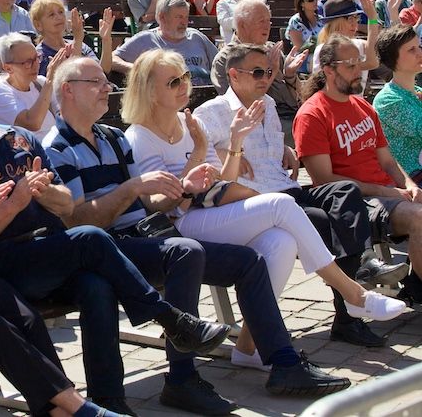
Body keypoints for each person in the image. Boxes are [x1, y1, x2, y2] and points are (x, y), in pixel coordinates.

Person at [44, 56, 354, 410]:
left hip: (145, 235)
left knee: (249, 261)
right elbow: (81, 222)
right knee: (186, 251)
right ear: (68, 91)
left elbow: (154, 204)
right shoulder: (58, 147)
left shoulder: (113, 138)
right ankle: (181, 378)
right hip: (109, 248)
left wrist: (184, 183)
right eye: (95, 82)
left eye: (105, 80)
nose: (107, 88)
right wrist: (132, 189)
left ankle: (283, 363)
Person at [0, 61, 234, 415]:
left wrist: (43, 194)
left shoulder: (20, 139)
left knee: (96, 284)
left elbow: (65, 204)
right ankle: (167, 317)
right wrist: (15, 204)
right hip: (3, 263)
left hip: (50, 248)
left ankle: (109, 400)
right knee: (89, 237)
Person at [124, 49, 405, 328]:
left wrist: (235, 144)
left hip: (220, 205)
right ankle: (353, 295)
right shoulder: (142, 136)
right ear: (148, 91)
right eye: (174, 82)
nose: (184, 85)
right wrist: (198, 161)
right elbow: (161, 204)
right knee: (283, 206)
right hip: (182, 222)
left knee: (284, 240)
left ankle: (252, 347)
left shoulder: (191, 124)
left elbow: (223, 182)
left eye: (185, 77)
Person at [197, 44, 409, 347]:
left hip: (288, 189)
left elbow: (271, 156)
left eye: (269, 72)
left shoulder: (268, 105)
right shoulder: (213, 112)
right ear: (233, 74)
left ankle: (362, 266)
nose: (265, 78)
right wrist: (227, 149)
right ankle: (349, 315)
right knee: (326, 222)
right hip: (257, 203)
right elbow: (198, 163)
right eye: (257, 72)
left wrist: (286, 151)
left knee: (345, 192)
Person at [295, 34, 422, 303]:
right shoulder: (312, 114)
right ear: (329, 70)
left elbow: (387, 161)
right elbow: (325, 179)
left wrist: (408, 185)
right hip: (355, 203)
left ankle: (416, 287)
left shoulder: (362, 106)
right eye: (350, 65)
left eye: (359, 63)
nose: (359, 72)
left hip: (386, 193)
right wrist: (389, 192)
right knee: (420, 218)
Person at [211, 0, 307, 141]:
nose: (267, 26)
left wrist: (290, 75)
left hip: (290, 116)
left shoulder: (272, 50)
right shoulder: (226, 60)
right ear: (242, 25)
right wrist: (272, 73)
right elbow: (238, 106)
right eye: (261, 21)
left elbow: (297, 99)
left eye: (269, 21)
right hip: (256, 125)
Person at [113, 0, 218, 85]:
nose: (184, 22)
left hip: (204, 97)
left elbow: (221, 62)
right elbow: (112, 59)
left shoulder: (196, 37)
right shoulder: (146, 39)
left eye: (186, 17)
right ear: (162, 17)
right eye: (179, 17)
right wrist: (140, 70)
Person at [374, 24, 422, 182]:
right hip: (413, 179)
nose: (420, 53)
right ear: (393, 58)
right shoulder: (388, 100)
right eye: (411, 50)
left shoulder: (416, 91)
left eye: (419, 46)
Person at [0, 33, 63, 141]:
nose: (36, 65)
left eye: (37, 58)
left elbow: (65, 116)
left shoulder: (40, 82)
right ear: (8, 68)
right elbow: (32, 123)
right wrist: (50, 81)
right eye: (28, 62)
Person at [32, 0, 113, 76]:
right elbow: (70, 80)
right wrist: (77, 40)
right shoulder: (39, 56)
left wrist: (106, 39)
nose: (59, 17)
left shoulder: (83, 46)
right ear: (38, 25)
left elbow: (102, 72)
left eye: (60, 12)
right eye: (51, 14)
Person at [312, 0, 380, 92]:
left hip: (354, 105)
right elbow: (371, 62)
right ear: (335, 22)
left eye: (356, 18)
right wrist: (372, 19)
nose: (355, 24)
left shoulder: (359, 44)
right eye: (349, 18)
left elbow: (374, 59)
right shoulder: (322, 49)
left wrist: (374, 17)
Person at [285, 0, 323, 65]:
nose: (315, 1)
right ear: (302, 3)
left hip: (321, 56)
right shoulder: (295, 21)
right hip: (302, 59)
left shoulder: (321, 20)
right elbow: (299, 47)